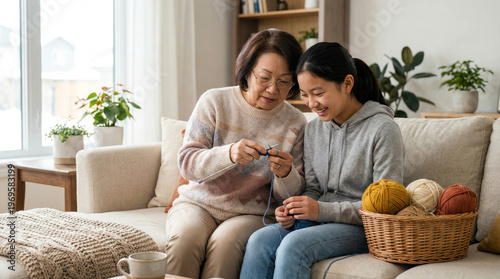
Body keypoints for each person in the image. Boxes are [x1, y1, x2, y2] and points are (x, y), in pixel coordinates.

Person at [240, 42, 405, 279]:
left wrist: (321, 210)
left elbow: (386, 207)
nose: (311, 103)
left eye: (318, 93)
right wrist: (296, 209)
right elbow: (315, 188)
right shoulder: (315, 129)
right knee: (259, 240)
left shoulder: (383, 129)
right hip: (321, 219)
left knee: (293, 245)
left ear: (347, 84)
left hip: (364, 227)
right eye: (305, 95)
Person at [165, 29, 308, 279]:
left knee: (225, 246)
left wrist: (286, 174)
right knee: (185, 239)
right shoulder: (214, 101)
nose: (273, 89)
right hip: (197, 204)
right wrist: (229, 154)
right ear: (247, 71)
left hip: (250, 215)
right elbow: (187, 163)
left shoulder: (296, 122)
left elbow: (293, 196)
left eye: (285, 81)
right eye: (264, 78)